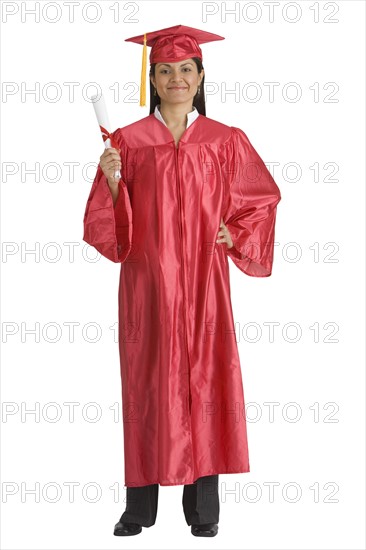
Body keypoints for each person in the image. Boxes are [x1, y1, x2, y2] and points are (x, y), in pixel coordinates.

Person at [83, 24, 281, 537]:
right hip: (148, 285)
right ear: (153, 78)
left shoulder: (224, 140)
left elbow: (261, 199)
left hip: (204, 286)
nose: (175, 78)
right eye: (165, 70)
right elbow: (107, 222)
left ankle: (204, 512)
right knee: (148, 386)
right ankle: (139, 510)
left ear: (200, 76)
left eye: (185, 70)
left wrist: (233, 234)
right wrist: (111, 180)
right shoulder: (126, 141)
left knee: (206, 380)